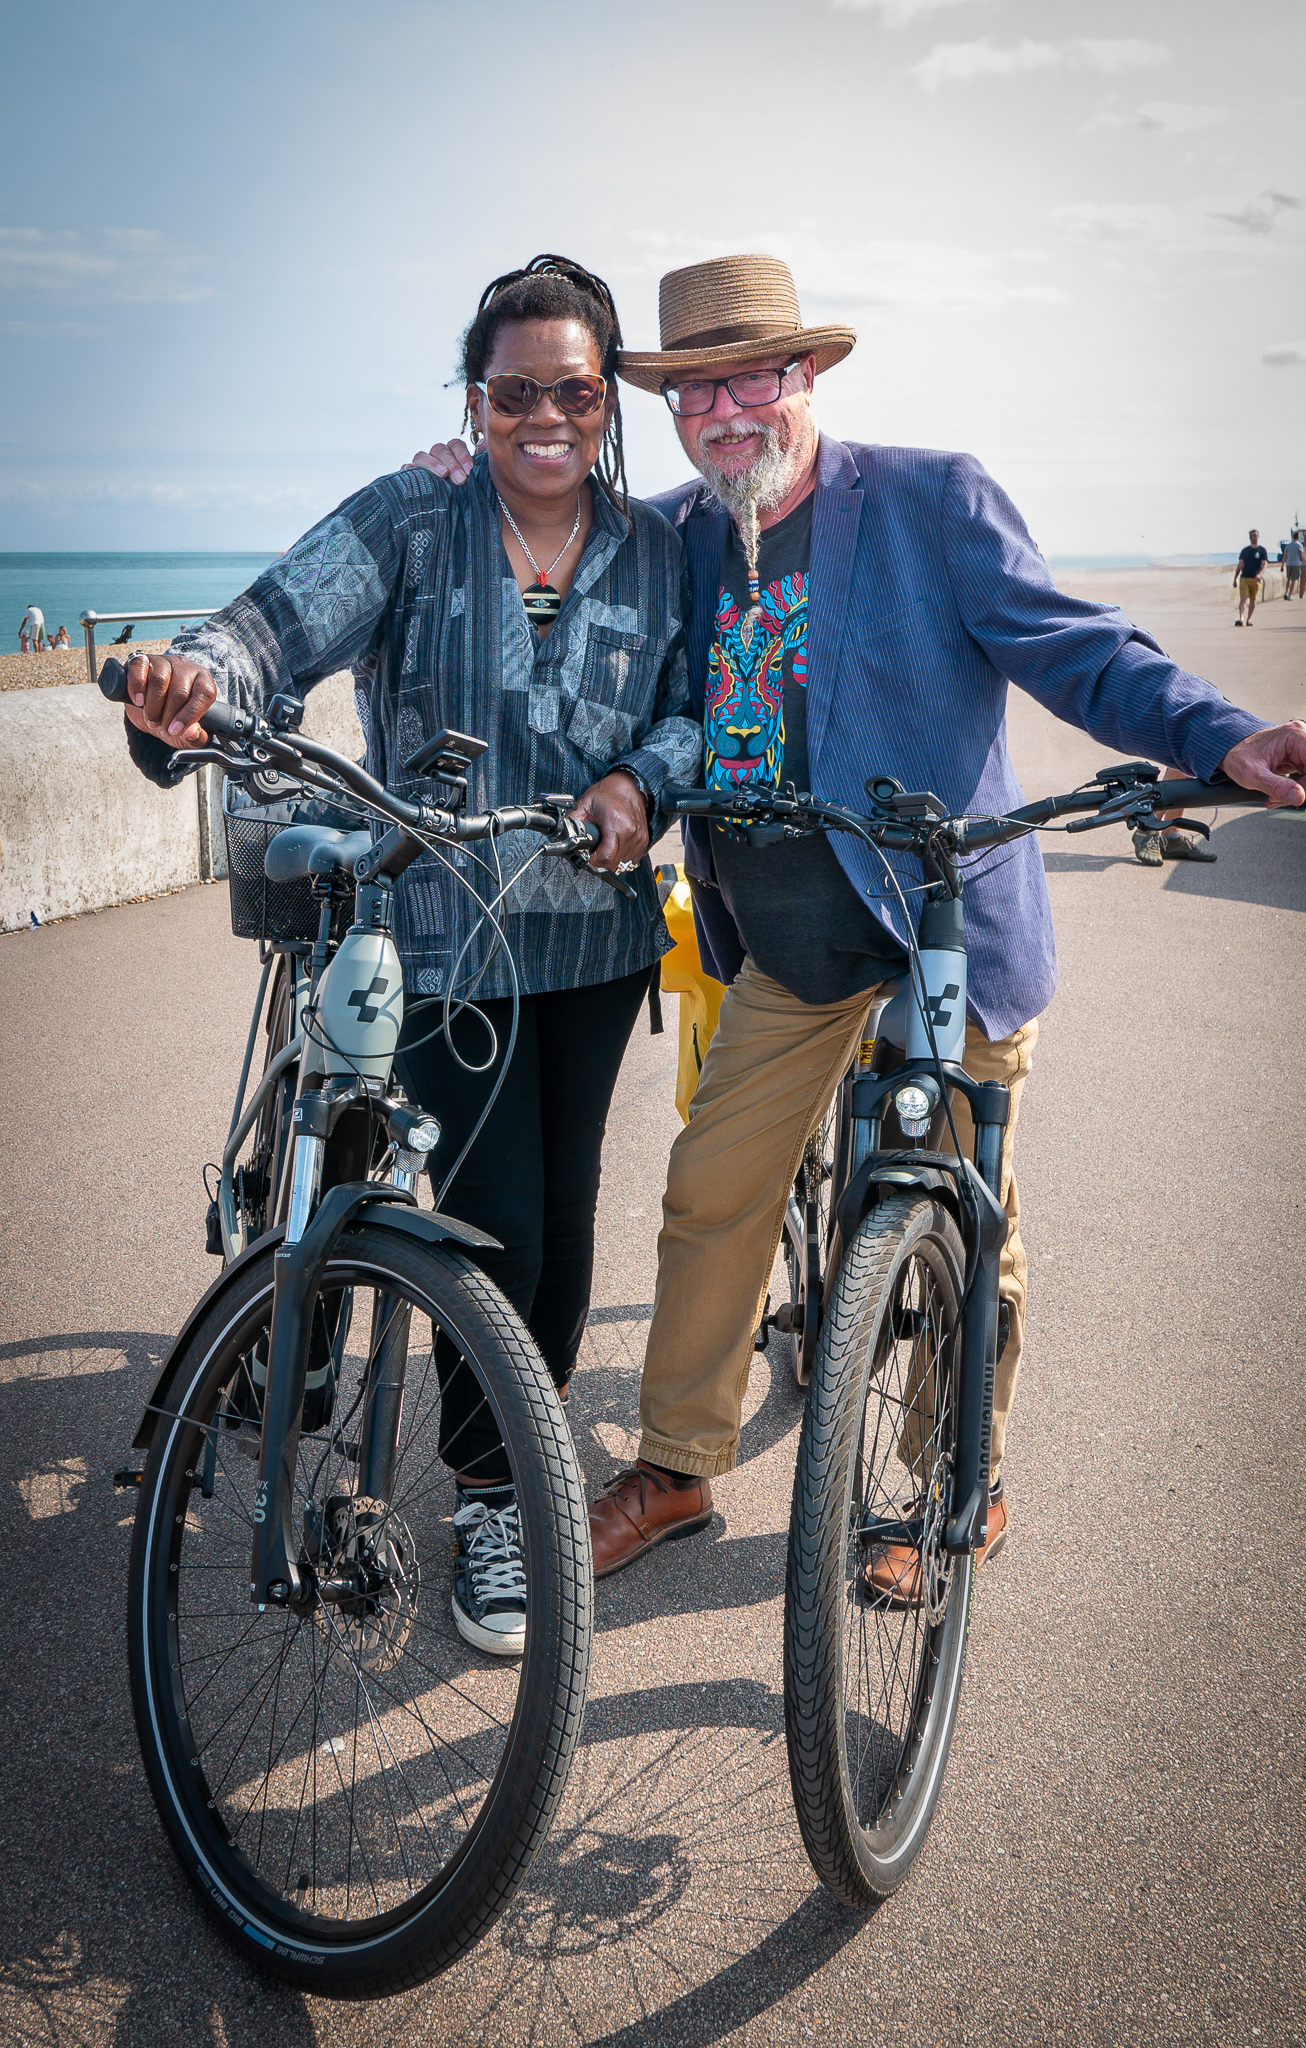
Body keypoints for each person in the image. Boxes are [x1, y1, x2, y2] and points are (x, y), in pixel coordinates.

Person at [413, 252, 1306, 1594]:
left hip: (937, 933)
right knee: (710, 1190)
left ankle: (950, 1480)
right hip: (786, 948)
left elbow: (1079, 648)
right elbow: (545, 576)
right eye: (693, 394)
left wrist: (1220, 731)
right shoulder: (668, 534)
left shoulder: (928, 501)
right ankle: (674, 1468)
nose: (725, 414)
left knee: (960, 1212)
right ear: (668, 412)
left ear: (801, 378)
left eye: (750, 382)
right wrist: (456, 498)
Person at [121, 254, 701, 1658]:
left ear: (604, 401)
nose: (545, 417)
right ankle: (498, 1501)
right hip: (446, 935)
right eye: (517, 391)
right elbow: (269, 624)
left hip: (599, 940)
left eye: (573, 389)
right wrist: (195, 676)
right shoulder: (410, 517)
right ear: (476, 396)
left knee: (562, 1235)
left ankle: (510, 1470)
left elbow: (691, 714)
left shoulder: (657, 549)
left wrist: (642, 783)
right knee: (491, 1229)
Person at [1232, 530, 1267, 627]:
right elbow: (1240, 565)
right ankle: (1241, 619)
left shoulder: (1262, 551)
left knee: (1253, 599)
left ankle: (1249, 619)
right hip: (1244, 578)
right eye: (1251, 536)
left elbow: (1264, 564)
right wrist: (1235, 578)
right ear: (1249, 537)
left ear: (1258, 536)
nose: (1253, 537)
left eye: (1255, 535)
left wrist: (1260, 574)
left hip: (1255, 579)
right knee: (1243, 599)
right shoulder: (1245, 551)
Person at [1281, 534, 1305, 600]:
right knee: (1294, 579)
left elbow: (1284, 556)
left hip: (1288, 564)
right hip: (1296, 564)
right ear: (1298, 537)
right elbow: (1301, 555)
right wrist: (1302, 562)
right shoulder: (1299, 545)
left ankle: (1286, 592)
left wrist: (1282, 565)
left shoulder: (1288, 545)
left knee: (1289, 579)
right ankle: (1290, 595)